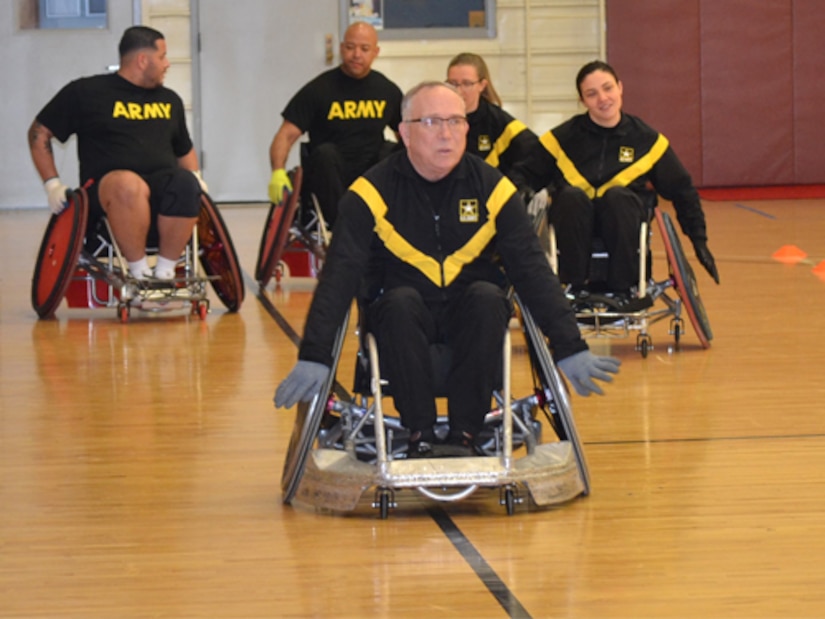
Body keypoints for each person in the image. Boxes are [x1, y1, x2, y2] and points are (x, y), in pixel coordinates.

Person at [274, 81, 621, 458]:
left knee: (489, 298)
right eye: (432, 122)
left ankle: (466, 435)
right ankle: (419, 432)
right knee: (398, 303)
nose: (446, 134)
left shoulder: (494, 189)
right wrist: (315, 354)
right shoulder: (368, 194)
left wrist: (569, 346)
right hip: (400, 318)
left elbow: (533, 270)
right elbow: (338, 277)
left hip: (470, 317)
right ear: (404, 132)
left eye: (456, 121)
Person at [28, 25, 207, 281]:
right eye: (162, 56)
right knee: (127, 183)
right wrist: (52, 185)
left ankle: (165, 273)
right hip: (108, 196)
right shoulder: (86, 93)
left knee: (185, 183)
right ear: (143, 60)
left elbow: (184, 149)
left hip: (162, 198)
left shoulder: (170, 100)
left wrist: (197, 180)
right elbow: (39, 133)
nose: (167, 64)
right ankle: (139, 274)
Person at [533, 60, 720, 305]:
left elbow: (682, 190)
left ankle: (623, 289)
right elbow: (523, 175)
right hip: (574, 221)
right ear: (582, 101)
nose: (602, 98)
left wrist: (699, 240)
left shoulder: (647, 140)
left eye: (608, 88)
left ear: (620, 87)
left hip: (624, 221)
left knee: (618, 197)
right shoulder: (561, 139)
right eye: (592, 94)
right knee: (570, 196)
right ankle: (574, 287)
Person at [267, 21, 403, 228]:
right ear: (341, 48)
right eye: (350, 47)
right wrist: (278, 171)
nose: (356, 54)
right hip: (330, 175)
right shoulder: (319, 89)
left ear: (376, 52)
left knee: (393, 151)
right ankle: (344, 226)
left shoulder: (386, 90)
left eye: (364, 49)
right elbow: (286, 135)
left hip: (372, 172)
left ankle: (386, 222)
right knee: (324, 153)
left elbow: (408, 134)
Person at [446, 52, 550, 197]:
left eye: (467, 83)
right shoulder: (436, 119)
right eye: (452, 84)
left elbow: (538, 153)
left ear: (482, 85)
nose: (458, 90)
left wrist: (513, 183)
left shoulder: (499, 122)